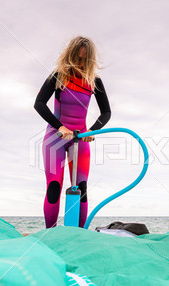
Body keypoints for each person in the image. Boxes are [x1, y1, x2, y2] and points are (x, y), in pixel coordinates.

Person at [34, 36, 111, 228]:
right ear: (70, 57)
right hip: (55, 137)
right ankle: (49, 232)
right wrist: (60, 127)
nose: (80, 63)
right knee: (54, 186)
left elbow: (106, 112)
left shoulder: (95, 82)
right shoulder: (58, 76)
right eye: (77, 58)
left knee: (81, 188)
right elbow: (39, 104)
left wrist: (93, 130)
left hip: (81, 138)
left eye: (84, 59)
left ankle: (79, 234)